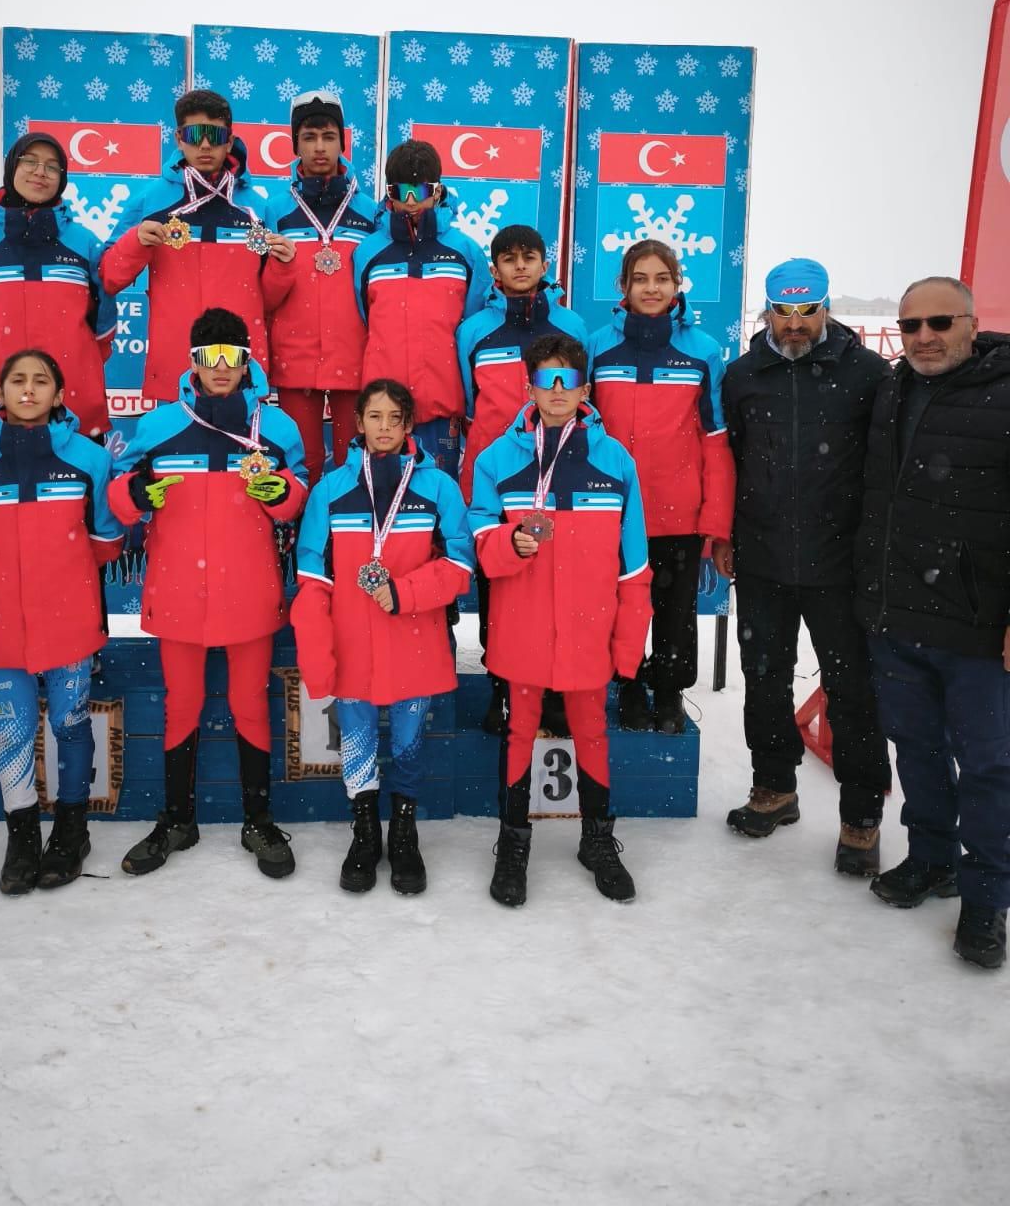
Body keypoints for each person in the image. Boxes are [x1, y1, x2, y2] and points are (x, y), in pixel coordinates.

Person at [109, 307, 307, 877]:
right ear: (192, 361)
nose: (220, 368)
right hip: (178, 593)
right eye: (208, 357)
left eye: (231, 357)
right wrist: (139, 493)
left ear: (247, 361)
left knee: (250, 707)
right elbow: (119, 500)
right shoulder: (159, 425)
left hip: (249, 591)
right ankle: (177, 820)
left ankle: (259, 822)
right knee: (182, 708)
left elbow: (299, 499)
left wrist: (279, 493)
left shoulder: (278, 429)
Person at [716, 257, 892, 874]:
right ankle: (774, 788)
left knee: (853, 692)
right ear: (766, 311)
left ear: (826, 307)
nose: (795, 324)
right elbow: (731, 459)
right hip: (763, 558)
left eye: (806, 311)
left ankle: (862, 817)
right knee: (763, 681)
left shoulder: (868, 373)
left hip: (840, 563)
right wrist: (728, 533)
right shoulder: (743, 375)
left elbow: (883, 469)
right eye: (783, 312)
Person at [855, 277, 1010, 969]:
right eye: (911, 324)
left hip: (978, 625)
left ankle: (986, 901)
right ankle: (931, 859)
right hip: (896, 613)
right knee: (915, 748)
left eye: (940, 322)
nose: (924, 336)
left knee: (987, 767)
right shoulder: (892, 390)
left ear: (972, 324)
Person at [469, 333, 652, 908]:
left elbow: (635, 567)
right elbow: (477, 537)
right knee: (520, 731)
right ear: (527, 387)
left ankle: (597, 841)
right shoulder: (497, 459)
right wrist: (508, 544)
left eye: (567, 381)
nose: (556, 392)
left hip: (588, 629)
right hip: (522, 627)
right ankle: (513, 844)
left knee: (591, 732)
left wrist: (627, 650)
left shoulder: (615, 461)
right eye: (545, 381)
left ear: (584, 389)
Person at [292, 378, 474, 895]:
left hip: (413, 637)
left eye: (396, 418)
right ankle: (366, 832)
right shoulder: (330, 489)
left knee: (411, 744)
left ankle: (405, 834)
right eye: (376, 416)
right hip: (351, 643)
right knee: (359, 741)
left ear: (410, 424)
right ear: (359, 423)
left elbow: (461, 562)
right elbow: (312, 576)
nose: (386, 427)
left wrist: (407, 591)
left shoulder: (437, 487)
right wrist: (317, 651)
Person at [0, 350, 123, 896]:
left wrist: (60, 578)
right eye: (17, 381)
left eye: (40, 382)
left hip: (70, 624)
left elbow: (107, 540)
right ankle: (23, 836)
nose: (28, 391)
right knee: (13, 731)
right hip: (0, 624)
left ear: (59, 393)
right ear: (1, 390)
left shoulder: (89, 459)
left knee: (70, 726)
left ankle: (71, 831)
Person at [589, 238, 735, 735]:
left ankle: (670, 695)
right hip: (611, 512)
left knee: (674, 614)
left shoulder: (703, 351)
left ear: (677, 285)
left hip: (678, 512)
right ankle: (628, 687)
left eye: (662, 279)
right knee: (621, 608)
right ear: (622, 286)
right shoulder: (598, 347)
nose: (651, 288)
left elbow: (716, 443)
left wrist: (715, 523)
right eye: (640, 279)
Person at [456, 224, 588, 733]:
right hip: (498, 477)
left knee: (558, 586)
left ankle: (554, 692)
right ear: (493, 269)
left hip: (560, 473)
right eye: (507, 258)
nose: (518, 266)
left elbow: (582, 397)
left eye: (528, 257)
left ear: (544, 264)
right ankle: (502, 690)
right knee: (499, 586)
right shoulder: (473, 331)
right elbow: (470, 404)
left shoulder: (571, 325)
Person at [101, 89, 275, 402]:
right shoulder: (149, 202)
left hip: (239, 372)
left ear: (229, 140)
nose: (205, 144)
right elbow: (109, 277)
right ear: (179, 138)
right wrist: (135, 242)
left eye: (215, 134)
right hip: (174, 373)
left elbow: (273, 296)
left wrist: (285, 266)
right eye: (195, 134)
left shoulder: (258, 209)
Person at [0, 131, 117, 437]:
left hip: (75, 406)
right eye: (30, 161)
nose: (41, 172)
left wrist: (78, 364)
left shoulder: (85, 243)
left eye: (52, 166)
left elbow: (104, 328)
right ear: (12, 166)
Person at [352, 140, 489, 481]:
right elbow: (363, 318)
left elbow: (474, 329)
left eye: (420, 190)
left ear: (438, 190)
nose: (410, 202)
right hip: (385, 409)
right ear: (389, 193)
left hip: (442, 404)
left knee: (440, 498)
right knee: (383, 500)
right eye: (401, 191)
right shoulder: (368, 252)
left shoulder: (464, 251)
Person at [262, 91, 379, 486]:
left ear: (342, 142)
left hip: (356, 357)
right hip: (296, 361)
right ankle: (300, 545)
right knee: (302, 464)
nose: (319, 147)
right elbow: (261, 297)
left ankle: (346, 545)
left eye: (328, 137)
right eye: (309, 137)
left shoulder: (371, 213)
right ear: (295, 143)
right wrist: (280, 269)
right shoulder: (272, 211)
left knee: (356, 464)